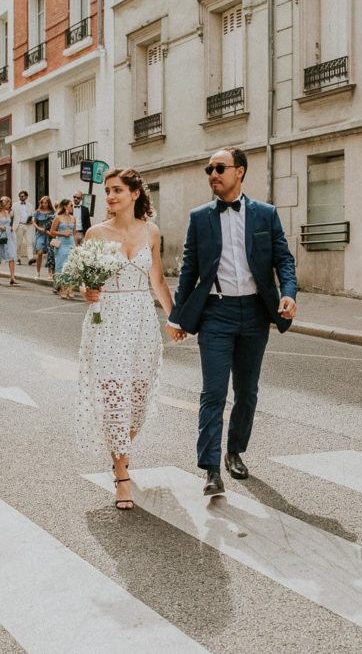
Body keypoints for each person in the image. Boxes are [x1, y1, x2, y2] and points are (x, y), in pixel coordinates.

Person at [168, 147, 298, 496]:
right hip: (216, 313)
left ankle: (235, 451)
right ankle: (211, 468)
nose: (213, 174)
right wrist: (178, 316)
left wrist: (289, 294)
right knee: (213, 392)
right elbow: (189, 272)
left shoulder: (265, 214)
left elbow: (284, 260)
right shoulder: (199, 218)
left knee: (247, 391)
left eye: (219, 168)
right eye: (208, 168)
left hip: (255, 313)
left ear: (239, 171)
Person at [77, 168, 175, 511]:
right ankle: (121, 475)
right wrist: (85, 290)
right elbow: (82, 282)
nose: (110, 197)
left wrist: (174, 317)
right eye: (107, 191)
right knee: (115, 398)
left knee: (138, 401)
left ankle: (121, 453)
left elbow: (158, 281)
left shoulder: (151, 231)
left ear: (135, 194)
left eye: (117, 190)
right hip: (107, 322)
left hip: (142, 323)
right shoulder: (95, 233)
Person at [49, 198, 77, 298]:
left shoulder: (73, 218)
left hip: (71, 243)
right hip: (61, 244)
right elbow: (52, 232)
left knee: (71, 266)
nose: (72, 207)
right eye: (71, 205)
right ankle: (62, 289)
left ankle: (70, 289)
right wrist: (63, 233)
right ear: (65, 206)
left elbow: (74, 233)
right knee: (61, 266)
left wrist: (76, 246)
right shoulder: (58, 217)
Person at [32, 195, 55, 279]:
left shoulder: (52, 212)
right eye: (42, 202)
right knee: (40, 252)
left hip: (49, 234)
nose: (44, 204)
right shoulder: (37, 212)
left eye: (45, 202)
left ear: (48, 203)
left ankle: (49, 273)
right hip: (40, 234)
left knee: (50, 253)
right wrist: (39, 228)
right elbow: (33, 222)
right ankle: (38, 272)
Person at [12, 190, 32, 265]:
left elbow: (32, 215)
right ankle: (18, 259)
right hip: (19, 225)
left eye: (23, 196)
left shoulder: (30, 205)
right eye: (20, 196)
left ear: (26, 197)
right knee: (18, 243)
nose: (21, 197)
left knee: (29, 242)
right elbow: (11, 215)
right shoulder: (15, 205)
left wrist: (31, 220)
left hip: (28, 225)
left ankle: (30, 258)